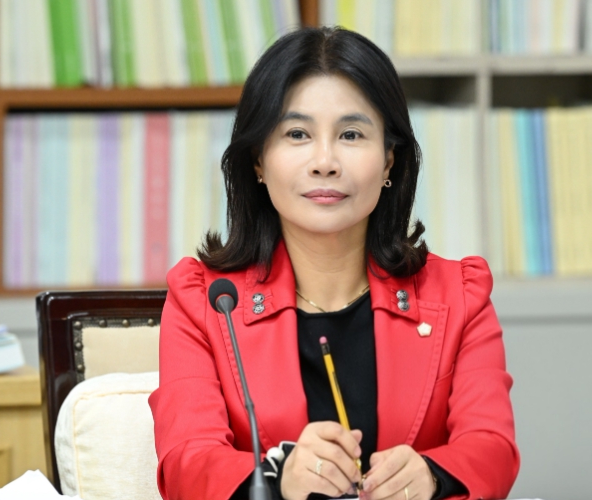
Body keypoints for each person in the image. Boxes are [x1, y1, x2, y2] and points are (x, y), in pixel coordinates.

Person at [149, 26, 519, 500]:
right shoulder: (205, 301)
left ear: (389, 160)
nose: (325, 162)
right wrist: (279, 477)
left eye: (350, 134)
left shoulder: (459, 296)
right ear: (258, 160)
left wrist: (431, 475)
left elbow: (492, 447)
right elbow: (187, 461)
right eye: (297, 134)